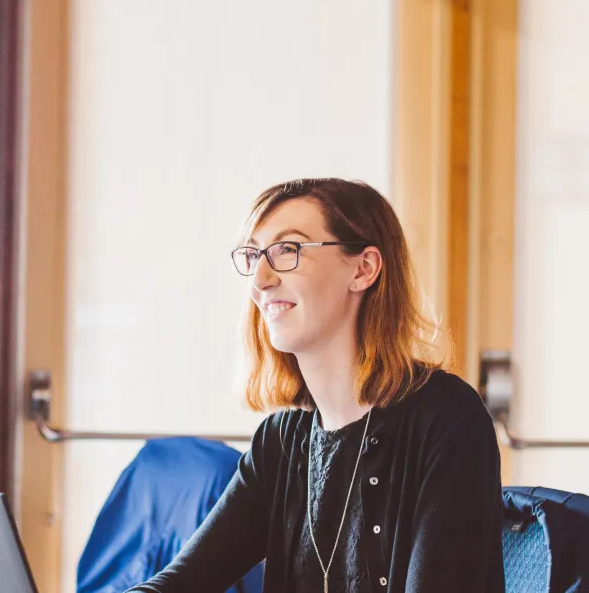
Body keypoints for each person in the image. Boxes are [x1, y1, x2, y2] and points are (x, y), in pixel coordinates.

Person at [127, 178, 504, 593]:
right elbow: (182, 583)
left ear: (363, 269)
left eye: (287, 250)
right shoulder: (281, 441)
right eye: (253, 255)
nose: (260, 280)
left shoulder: (447, 418)